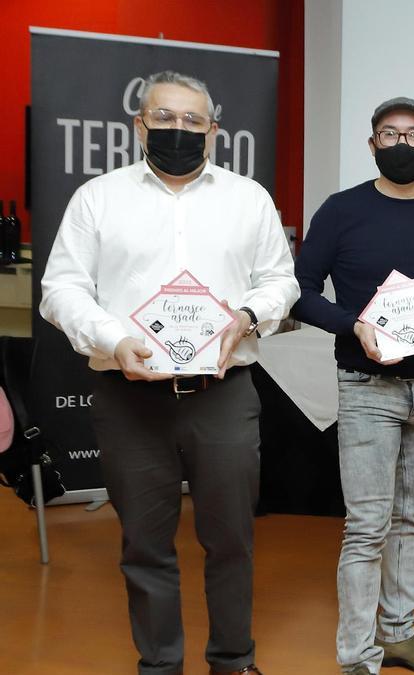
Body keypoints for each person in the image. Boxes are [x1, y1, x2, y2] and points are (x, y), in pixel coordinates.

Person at [40, 70, 299, 675]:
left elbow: (280, 280)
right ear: (140, 124)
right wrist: (113, 338)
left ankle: (234, 660)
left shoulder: (248, 198)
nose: (177, 130)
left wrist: (248, 315)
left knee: (231, 539)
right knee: (144, 544)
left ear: (213, 130)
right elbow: (61, 289)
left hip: (223, 393)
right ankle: (159, 664)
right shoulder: (98, 198)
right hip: (129, 396)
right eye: (164, 117)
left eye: (192, 121)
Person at [292, 97, 414, 675]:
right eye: (390, 135)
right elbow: (300, 289)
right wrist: (353, 325)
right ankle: (356, 658)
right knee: (367, 526)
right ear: (372, 145)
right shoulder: (342, 210)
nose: (402, 144)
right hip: (368, 386)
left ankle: (398, 635)